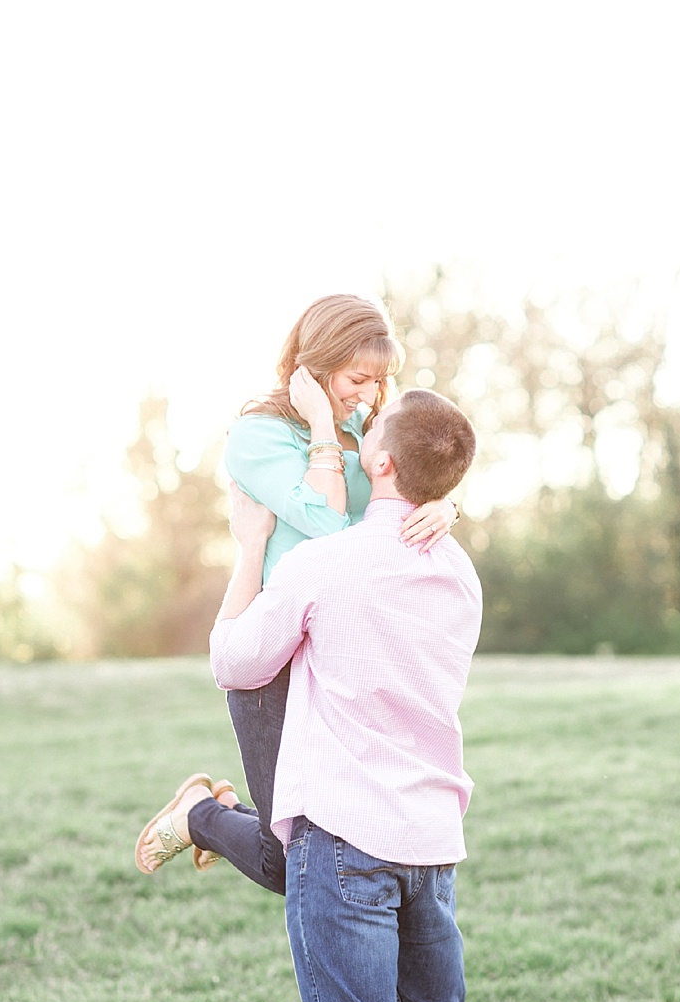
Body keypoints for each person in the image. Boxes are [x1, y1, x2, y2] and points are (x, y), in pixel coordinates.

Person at [166, 387, 538, 1002]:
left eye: (369, 432)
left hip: (346, 840)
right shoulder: (458, 572)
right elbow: (423, 477)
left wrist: (249, 545)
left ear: (377, 462)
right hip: (429, 841)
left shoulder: (328, 565)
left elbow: (234, 659)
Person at [134, 294, 458, 888]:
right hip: (274, 645)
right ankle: (200, 815)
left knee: (340, 829)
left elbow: (407, 478)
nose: (367, 393)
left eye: (379, 380)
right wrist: (318, 426)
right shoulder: (257, 436)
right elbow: (328, 524)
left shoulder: (364, 424)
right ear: (315, 363)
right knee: (288, 860)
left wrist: (445, 502)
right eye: (357, 378)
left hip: (344, 644)